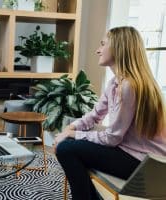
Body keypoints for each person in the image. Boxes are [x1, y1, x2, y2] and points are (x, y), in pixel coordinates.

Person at [54, 26, 166, 200]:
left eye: (103, 44)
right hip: (131, 154)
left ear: (118, 48)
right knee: (69, 146)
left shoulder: (129, 86)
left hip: (146, 164)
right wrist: (71, 127)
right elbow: (95, 114)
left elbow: (112, 138)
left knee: (67, 149)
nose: (98, 50)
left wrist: (73, 135)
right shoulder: (115, 82)